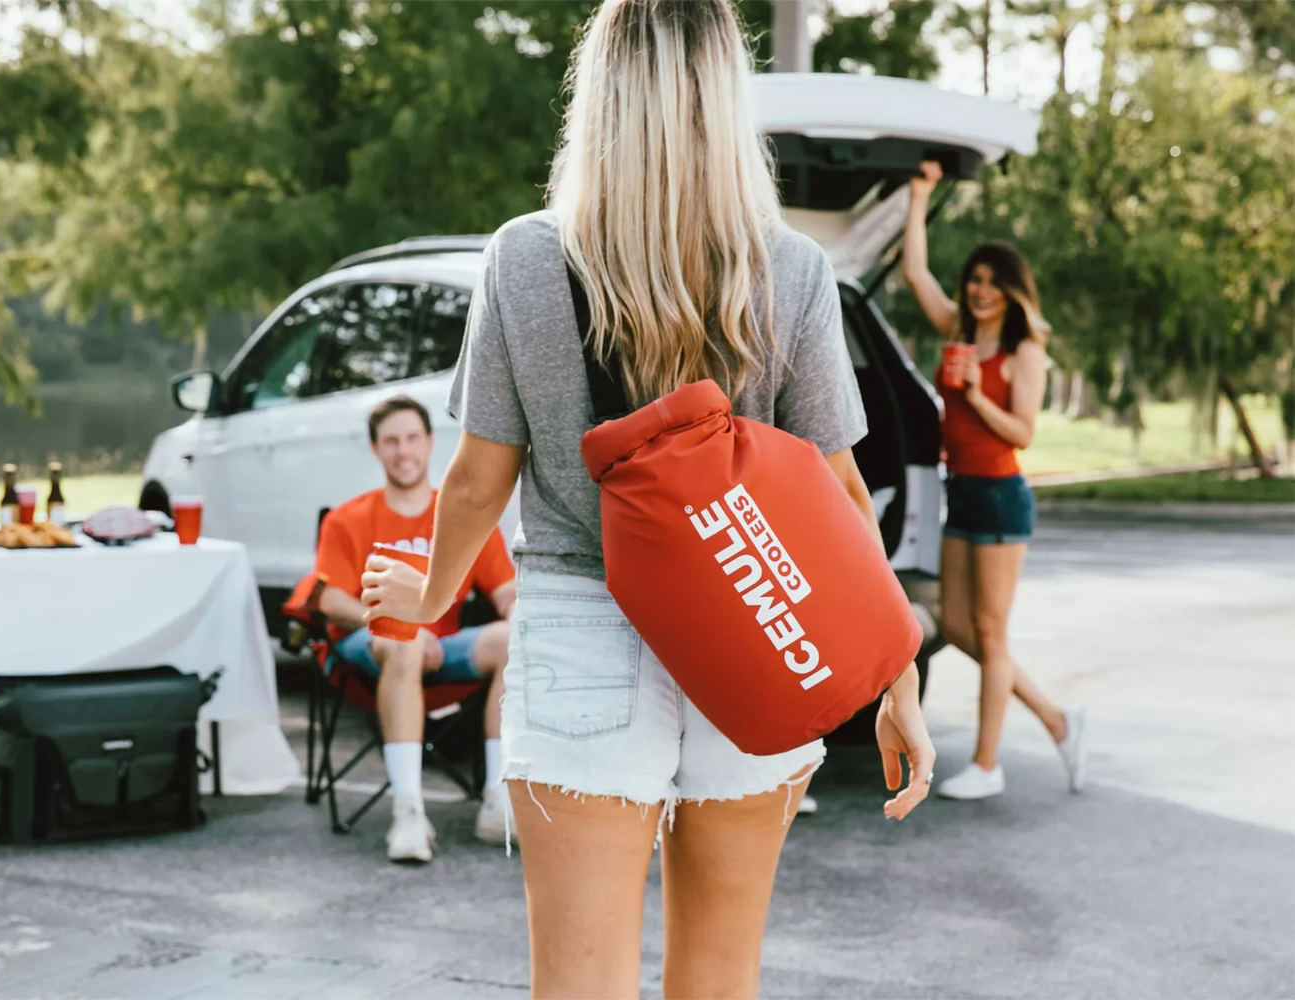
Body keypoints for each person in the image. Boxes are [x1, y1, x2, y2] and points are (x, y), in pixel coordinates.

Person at [360, 3, 936, 997]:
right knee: (719, 979)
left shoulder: (527, 258)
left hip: (585, 633)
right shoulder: (791, 268)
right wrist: (896, 681)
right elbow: (840, 495)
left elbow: (477, 478)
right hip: (759, 628)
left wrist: (425, 597)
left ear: (601, 98)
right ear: (725, 100)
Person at [903, 160, 1087, 800]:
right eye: (974, 280)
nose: (980, 290)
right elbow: (913, 275)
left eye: (992, 282)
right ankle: (1055, 718)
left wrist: (978, 395)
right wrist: (920, 197)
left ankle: (988, 763)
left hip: (1004, 497)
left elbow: (1023, 432)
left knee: (990, 633)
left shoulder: (1025, 350)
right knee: (954, 626)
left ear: (1012, 290)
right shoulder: (955, 329)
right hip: (964, 494)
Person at [311, 395, 516, 862]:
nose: (403, 451)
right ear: (375, 450)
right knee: (401, 643)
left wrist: (518, 610)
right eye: (391, 442)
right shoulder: (349, 518)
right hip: (375, 649)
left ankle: (497, 802)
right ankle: (408, 812)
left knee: (514, 641)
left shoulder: (461, 515)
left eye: (411, 439)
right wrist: (398, 622)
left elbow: (504, 588)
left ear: (428, 443)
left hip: (446, 649)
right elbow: (327, 597)